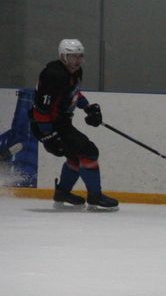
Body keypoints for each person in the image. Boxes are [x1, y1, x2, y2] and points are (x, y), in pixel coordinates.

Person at [30, 39, 118, 210]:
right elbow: (41, 109)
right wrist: (48, 136)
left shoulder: (75, 72)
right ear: (63, 56)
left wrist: (88, 107)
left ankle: (62, 193)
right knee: (90, 152)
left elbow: (73, 93)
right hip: (48, 125)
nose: (77, 61)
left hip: (61, 123)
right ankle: (95, 197)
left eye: (80, 56)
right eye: (72, 57)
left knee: (75, 156)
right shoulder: (53, 74)